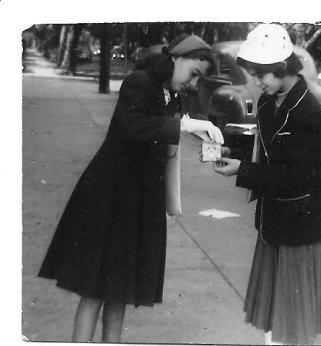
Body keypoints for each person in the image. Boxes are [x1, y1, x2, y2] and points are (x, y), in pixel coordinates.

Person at [38, 34, 223, 343]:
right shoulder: (139, 82)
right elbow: (133, 126)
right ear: (176, 58)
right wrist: (184, 126)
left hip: (140, 201)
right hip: (110, 197)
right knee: (95, 289)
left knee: (120, 290)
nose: (193, 83)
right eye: (194, 74)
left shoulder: (172, 96)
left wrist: (199, 140)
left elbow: (161, 141)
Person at [214, 24, 321, 345]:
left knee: (293, 321)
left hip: (299, 226)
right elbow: (266, 150)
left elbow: (296, 177)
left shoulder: (309, 113)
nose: (255, 80)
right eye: (252, 73)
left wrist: (243, 172)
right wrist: (231, 152)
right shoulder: (267, 103)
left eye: (260, 73)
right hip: (273, 222)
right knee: (273, 316)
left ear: (281, 68)